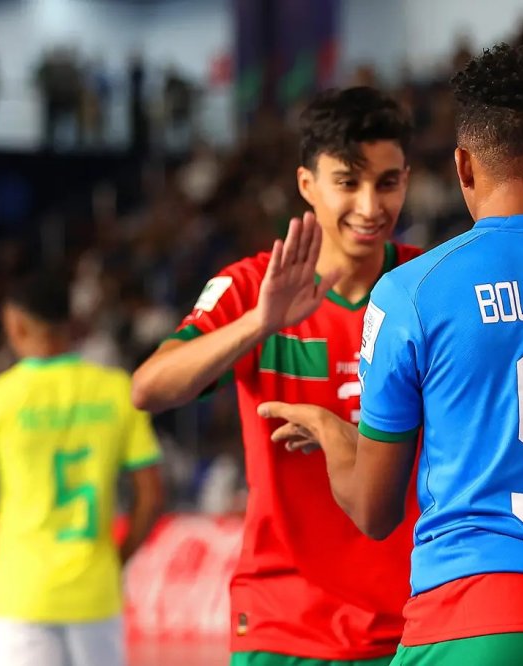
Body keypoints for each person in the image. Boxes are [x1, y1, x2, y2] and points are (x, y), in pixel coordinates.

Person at [260, 44, 523, 665]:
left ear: (462, 166)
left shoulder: (413, 292)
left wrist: (330, 430)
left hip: (474, 622)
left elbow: (375, 510)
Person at [130, 86, 421, 666]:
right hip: (283, 624)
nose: (370, 205)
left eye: (387, 182)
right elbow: (149, 388)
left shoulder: (432, 286)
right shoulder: (254, 285)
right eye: (348, 182)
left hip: (413, 625)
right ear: (306, 184)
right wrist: (258, 324)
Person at [0, 272, 163, 666]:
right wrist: (116, 560)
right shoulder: (115, 390)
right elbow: (152, 495)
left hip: (21, 597)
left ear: (15, 324)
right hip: (95, 595)